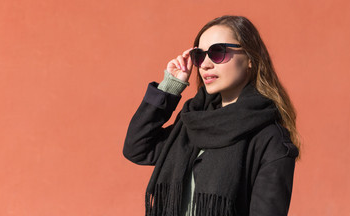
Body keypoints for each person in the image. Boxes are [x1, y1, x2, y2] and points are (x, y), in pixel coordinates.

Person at [123, 15, 300, 216]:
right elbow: (137, 147)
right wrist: (170, 87)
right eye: (199, 55)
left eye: (218, 52)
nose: (205, 64)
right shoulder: (194, 121)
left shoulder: (271, 139)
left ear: (250, 58)